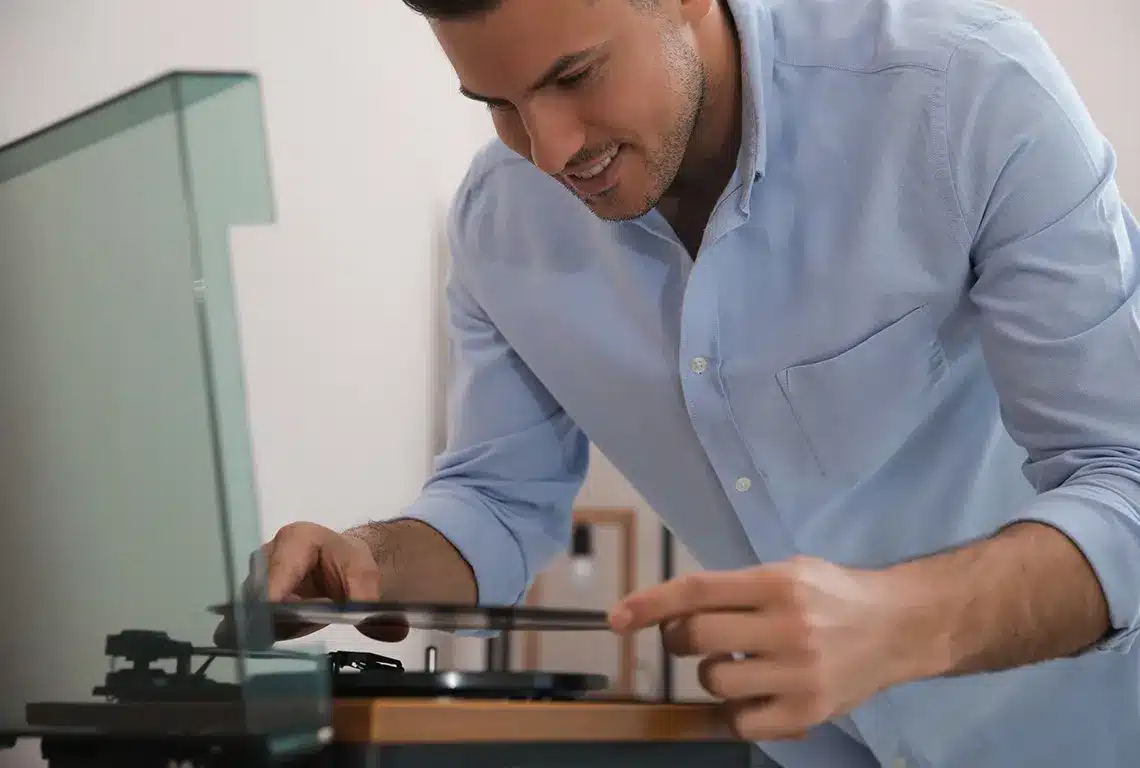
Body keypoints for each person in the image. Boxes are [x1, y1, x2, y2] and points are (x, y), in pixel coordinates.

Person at [249, 0, 1140, 765]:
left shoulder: (966, 93)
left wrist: (895, 624)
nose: (550, 149)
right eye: (500, 104)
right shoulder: (499, 224)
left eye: (575, 76)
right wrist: (369, 560)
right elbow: (493, 501)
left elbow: (1127, 484)